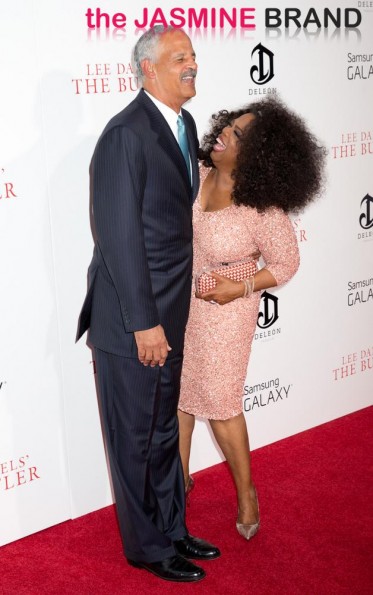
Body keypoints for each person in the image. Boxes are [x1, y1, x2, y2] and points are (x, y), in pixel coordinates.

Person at [76, 26, 220, 583]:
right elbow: (118, 238)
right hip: (133, 323)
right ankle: (145, 547)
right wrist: (145, 324)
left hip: (170, 317)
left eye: (193, 56)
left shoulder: (182, 125)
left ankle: (172, 528)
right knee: (134, 442)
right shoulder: (124, 135)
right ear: (148, 70)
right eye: (179, 57)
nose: (192, 64)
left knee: (163, 434)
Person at [178, 96, 325, 540]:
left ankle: (247, 493)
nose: (224, 133)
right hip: (179, 304)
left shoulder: (260, 207)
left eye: (239, 135)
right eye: (228, 125)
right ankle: (177, 484)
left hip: (226, 316)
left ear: (259, 155)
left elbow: (286, 263)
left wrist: (238, 285)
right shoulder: (196, 175)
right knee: (178, 399)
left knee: (221, 406)